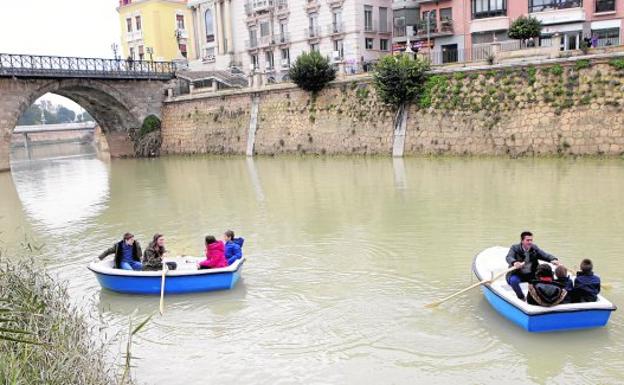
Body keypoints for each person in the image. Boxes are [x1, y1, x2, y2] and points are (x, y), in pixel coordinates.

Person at [506, 231, 560, 300]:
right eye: (528, 240)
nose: (530, 242)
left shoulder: (534, 248)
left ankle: (541, 297)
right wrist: (515, 262)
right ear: (522, 241)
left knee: (548, 276)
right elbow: (509, 257)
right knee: (513, 281)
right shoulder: (514, 248)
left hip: (531, 274)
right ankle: (521, 297)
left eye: (531, 240)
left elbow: (544, 255)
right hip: (517, 273)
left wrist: (553, 259)